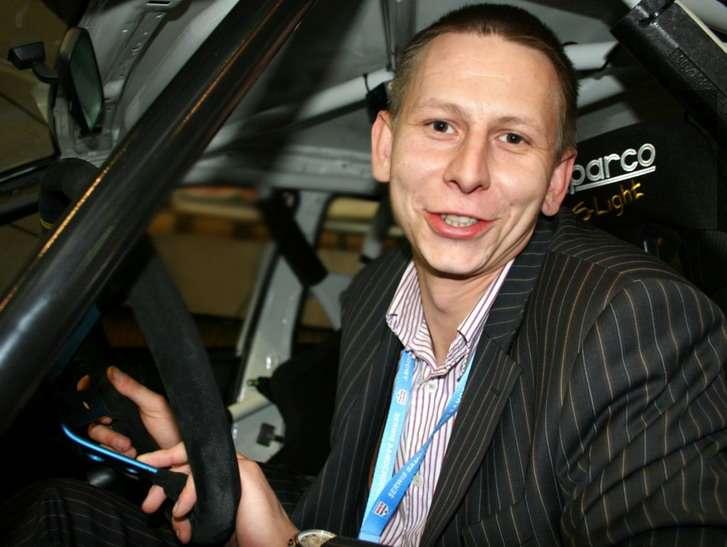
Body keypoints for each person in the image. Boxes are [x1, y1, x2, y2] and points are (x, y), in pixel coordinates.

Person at [5, 3, 727, 546]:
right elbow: (359, 504)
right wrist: (216, 458)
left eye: (512, 138)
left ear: (556, 181)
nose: (467, 172)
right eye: (440, 126)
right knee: (55, 511)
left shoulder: (634, 320)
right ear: (384, 146)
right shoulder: (380, 292)